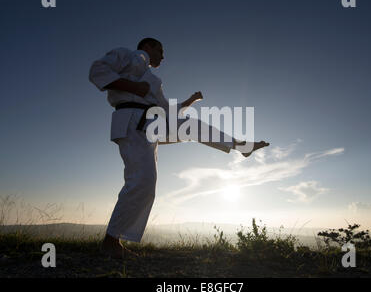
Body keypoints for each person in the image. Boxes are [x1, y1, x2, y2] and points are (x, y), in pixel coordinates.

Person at [89, 38, 269, 258]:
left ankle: (239, 145)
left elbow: (167, 109)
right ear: (147, 47)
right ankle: (111, 241)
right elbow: (97, 70)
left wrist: (191, 101)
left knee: (190, 126)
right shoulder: (128, 55)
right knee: (143, 181)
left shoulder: (154, 80)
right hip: (131, 120)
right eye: (160, 50)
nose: (163, 57)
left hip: (150, 122)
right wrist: (133, 86)